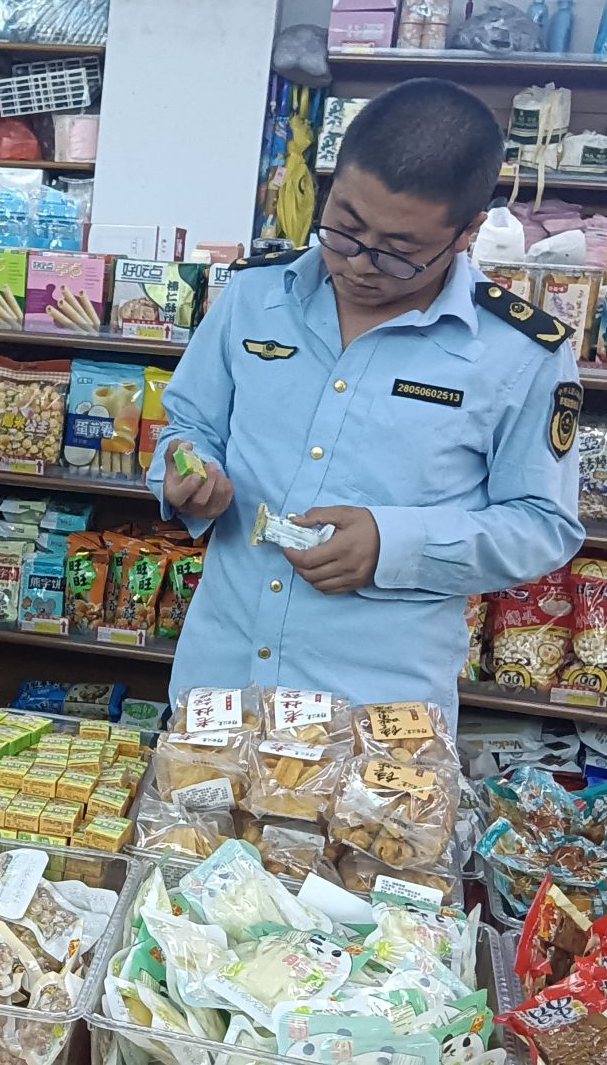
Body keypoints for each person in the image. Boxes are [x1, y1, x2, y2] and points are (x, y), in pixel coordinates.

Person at [150, 78, 584, 720]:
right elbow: (188, 424)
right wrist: (188, 472)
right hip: (220, 685)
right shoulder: (254, 299)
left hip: (373, 719)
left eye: (398, 252)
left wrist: (393, 544)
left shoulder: (520, 353)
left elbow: (543, 526)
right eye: (345, 231)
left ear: (467, 232)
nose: (359, 264)